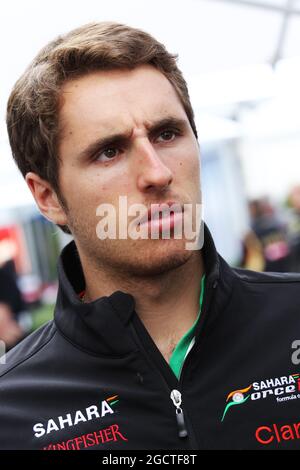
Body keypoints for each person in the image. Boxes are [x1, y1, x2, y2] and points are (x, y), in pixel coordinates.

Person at [1, 22, 300, 451]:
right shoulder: (12, 412)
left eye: (167, 133)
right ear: (48, 197)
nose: (157, 173)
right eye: (110, 151)